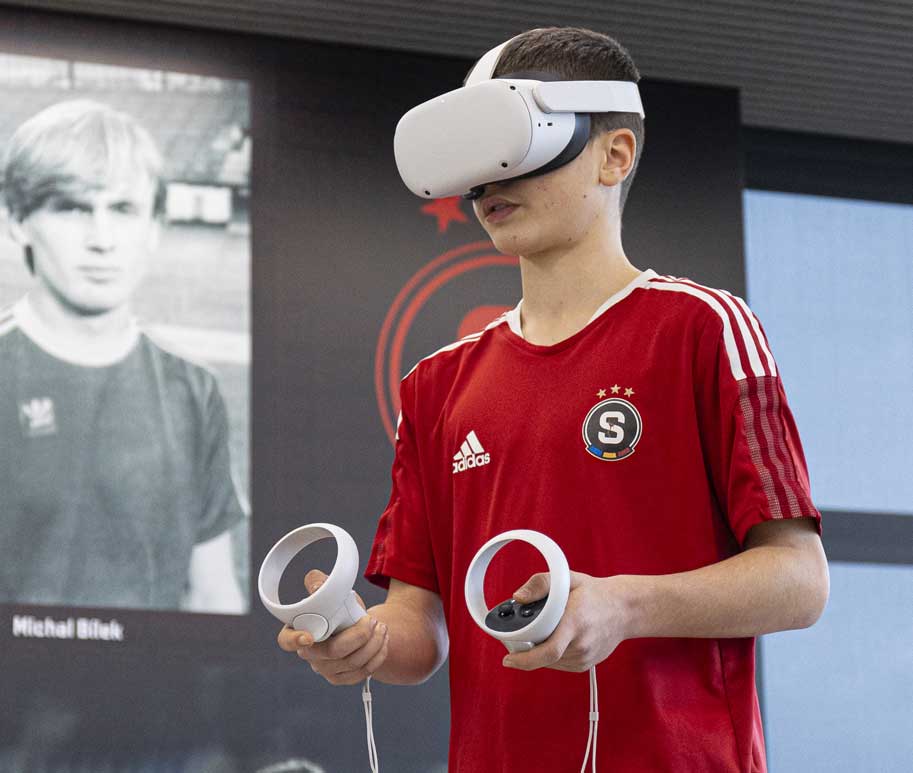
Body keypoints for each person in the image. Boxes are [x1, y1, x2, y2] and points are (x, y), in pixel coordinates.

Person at [277, 27, 828, 771]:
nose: (488, 184)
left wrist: (622, 605)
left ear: (614, 154)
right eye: (475, 163)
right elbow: (420, 628)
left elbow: (799, 580)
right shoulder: (435, 385)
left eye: (516, 147)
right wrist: (362, 640)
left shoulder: (701, 327)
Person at [0, 99, 247, 613]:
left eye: (123, 210)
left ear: (154, 227)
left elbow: (213, 592)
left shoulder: (193, 390)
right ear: (18, 219)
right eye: (71, 208)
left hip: (153, 669)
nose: (102, 240)